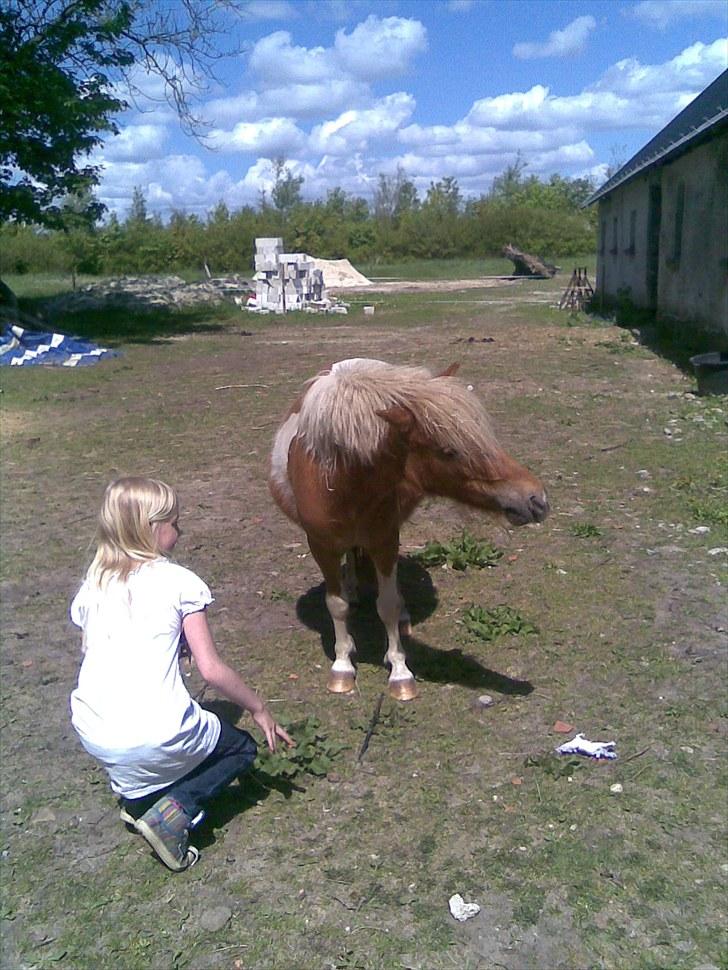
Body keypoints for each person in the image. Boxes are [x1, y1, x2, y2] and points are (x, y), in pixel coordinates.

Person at [69, 476, 294, 872]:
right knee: (241, 749)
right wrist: (259, 709)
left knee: (145, 746)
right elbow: (211, 669)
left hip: (94, 730)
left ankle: (137, 801)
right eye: (174, 522)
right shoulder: (179, 583)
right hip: (154, 731)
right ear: (152, 529)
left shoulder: (95, 582)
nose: (181, 529)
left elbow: (100, 652)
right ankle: (175, 810)